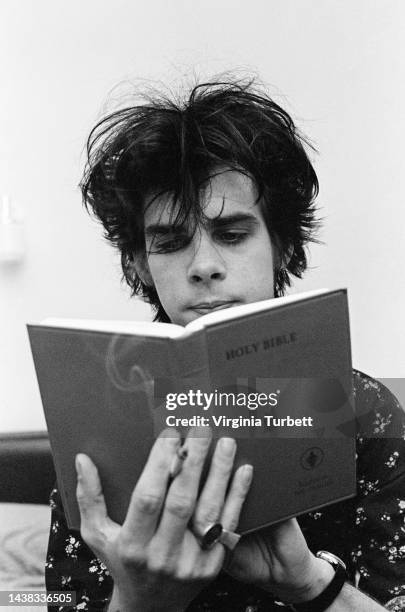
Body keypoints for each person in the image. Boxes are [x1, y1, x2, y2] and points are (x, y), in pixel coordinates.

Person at [46, 79, 405, 611]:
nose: (204, 266)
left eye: (233, 234)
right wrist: (139, 600)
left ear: (282, 246)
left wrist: (306, 581)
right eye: (169, 242)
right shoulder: (95, 424)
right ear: (139, 262)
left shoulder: (363, 413)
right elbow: (48, 600)